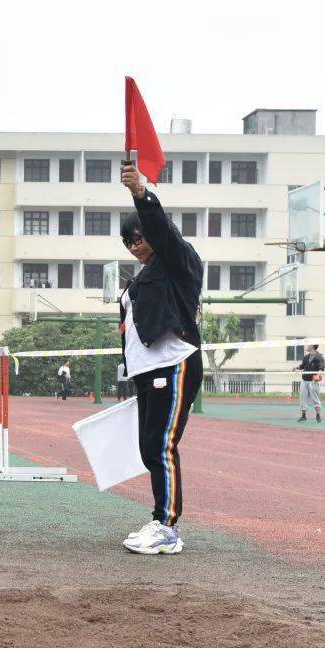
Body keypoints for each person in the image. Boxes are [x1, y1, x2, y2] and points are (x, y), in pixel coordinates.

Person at [118, 160, 203, 556]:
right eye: (128, 241)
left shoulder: (178, 262)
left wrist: (141, 194)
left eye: (138, 236)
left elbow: (161, 231)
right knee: (149, 447)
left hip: (174, 361)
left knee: (163, 444)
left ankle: (167, 526)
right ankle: (160, 520)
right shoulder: (138, 279)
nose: (135, 244)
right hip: (146, 370)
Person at [296, 344, 325, 423]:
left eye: (308, 345)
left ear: (312, 346)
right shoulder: (305, 357)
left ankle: (318, 415)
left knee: (315, 398)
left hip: (313, 381)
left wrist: (318, 375)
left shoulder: (319, 357)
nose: (307, 346)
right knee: (303, 397)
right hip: (304, 379)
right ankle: (303, 416)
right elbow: (302, 366)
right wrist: (296, 367)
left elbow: (321, 368)